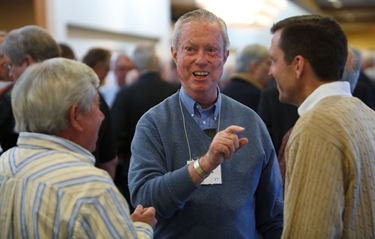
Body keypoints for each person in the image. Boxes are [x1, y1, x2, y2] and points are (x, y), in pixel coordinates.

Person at [128, 9, 283, 238]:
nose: (201, 60)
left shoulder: (250, 122)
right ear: (175, 54)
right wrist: (204, 165)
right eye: (190, 49)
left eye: (211, 50)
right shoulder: (153, 124)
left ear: (225, 57)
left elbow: (272, 215)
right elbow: (145, 201)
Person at [0, 58, 156, 238]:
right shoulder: (90, 188)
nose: (102, 117)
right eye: (97, 106)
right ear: (75, 116)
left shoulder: (5, 162)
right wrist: (141, 228)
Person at [268, 15, 375, 238]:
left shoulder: (315, 127)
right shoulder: (367, 115)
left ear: (298, 65)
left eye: (274, 61)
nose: (270, 71)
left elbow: (310, 231)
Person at [111, 42, 179, 213]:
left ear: (134, 64)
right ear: (155, 61)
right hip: (175, 169)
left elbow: (116, 137)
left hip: (135, 170)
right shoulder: (175, 91)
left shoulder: (125, 95)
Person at [0, 25, 60, 154]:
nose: (10, 74)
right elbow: (109, 160)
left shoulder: (16, 103)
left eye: (10, 65)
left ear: (27, 62)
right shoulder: (87, 93)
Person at [82, 47, 118, 179]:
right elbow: (109, 159)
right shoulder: (94, 97)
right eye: (107, 70)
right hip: (93, 174)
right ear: (97, 66)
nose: (107, 75)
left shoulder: (71, 92)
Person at [222, 44, 274, 112]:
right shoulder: (259, 97)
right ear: (254, 67)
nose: (272, 70)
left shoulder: (222, 93)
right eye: (269, 64)